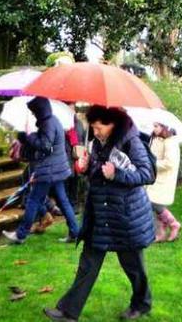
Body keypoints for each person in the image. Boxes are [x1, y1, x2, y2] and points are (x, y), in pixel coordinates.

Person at [44, 106, 156, 322]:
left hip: (125, 217)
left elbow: (147, 174)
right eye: (93, 128)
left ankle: (142, 303)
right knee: (88, 264)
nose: (95, 132)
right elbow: (99, 172)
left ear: (113, 124)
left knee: (133, 267)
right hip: (99, 214)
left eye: (99, 127)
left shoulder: (131, 141)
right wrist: (86, 168)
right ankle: (68, 312)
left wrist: (118, 174)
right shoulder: (98, 142)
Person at [3, 97, 80, 244]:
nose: (32, 115)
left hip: (48, 169)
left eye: (33, 112)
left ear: (39, 111)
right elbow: (45, 141)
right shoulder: (52, 120)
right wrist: (29, 137)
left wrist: (28, 136)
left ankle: (20, 235)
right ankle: (75, 232)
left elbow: (45, 145)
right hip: (57, 168)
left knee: (33, 200)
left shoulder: (47, 123)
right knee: (63, 201)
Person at [147, 123, 182, 241]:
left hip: (163, 178)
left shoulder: (170, 142)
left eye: (156, 126)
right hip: (154, 177)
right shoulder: (155, 139)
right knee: (153, 204)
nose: (154, 128)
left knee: (153, 202)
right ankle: (160, 233)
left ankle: (173, 224)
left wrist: (152, 164)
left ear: (164, 127)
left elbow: (169, 163)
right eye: (154, 125)